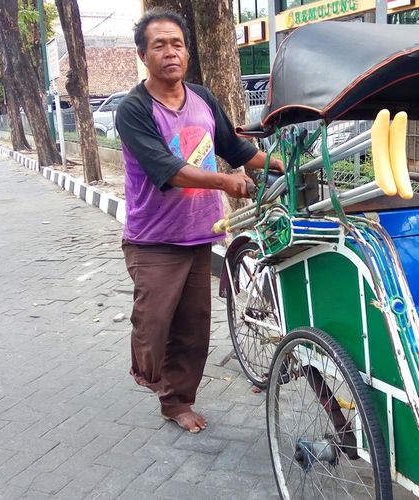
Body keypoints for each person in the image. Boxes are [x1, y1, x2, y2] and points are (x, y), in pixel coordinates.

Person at [115, 7, 283, 434]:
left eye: (177, 44)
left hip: (200, 233)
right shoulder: (133, 109)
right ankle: (149, 373)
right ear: (143, 54)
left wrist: (286, 165)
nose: (170, 52)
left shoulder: (204, 99)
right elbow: (167, 168)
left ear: (186, 51)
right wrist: (225, 182)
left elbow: (238, 149)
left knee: (192, 329)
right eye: (159, 45)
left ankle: (176, 402)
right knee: (154, 321)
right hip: (152, 238)